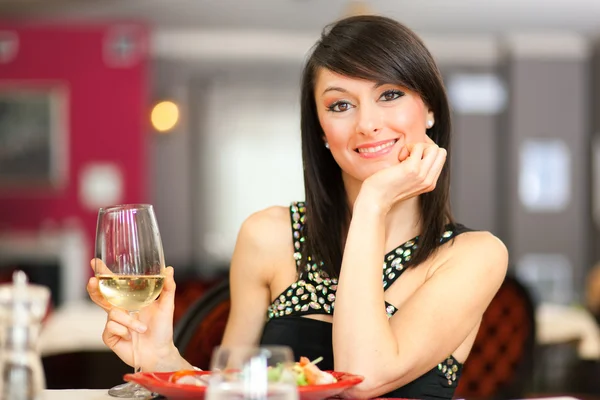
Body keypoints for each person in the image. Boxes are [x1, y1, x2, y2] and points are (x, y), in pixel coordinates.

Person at [87, 14, 508, 399]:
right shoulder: (269, 236)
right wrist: (163, 359)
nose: (366, 123)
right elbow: (234, 392)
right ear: (322, 130)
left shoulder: (472, 256)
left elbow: (364, 377)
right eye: (340, 104)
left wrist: (372, 205)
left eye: (390, 94)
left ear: (430, 108)